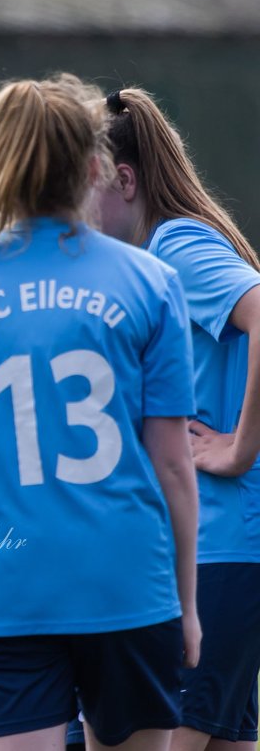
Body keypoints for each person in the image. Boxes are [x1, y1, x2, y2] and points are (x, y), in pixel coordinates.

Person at [0, 75, 200, 751]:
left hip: (5, 588)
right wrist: (185, 602)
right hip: (127, 581)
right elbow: (174, 466)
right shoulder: (151, 280)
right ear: (93, 165)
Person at [92, 86, 260, 751]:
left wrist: (239, 450)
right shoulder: (149, 262)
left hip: (220, 550)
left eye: (83, 188)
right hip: (219, 554)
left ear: (124, 180)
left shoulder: (178, 248)